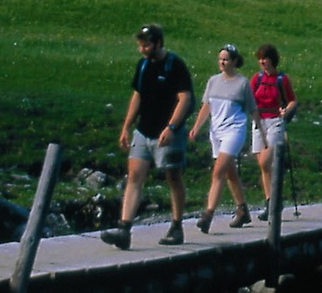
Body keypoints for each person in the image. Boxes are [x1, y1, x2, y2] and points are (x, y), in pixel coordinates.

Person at [100, 24, 194, 249]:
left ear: (158, 43)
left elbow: (186, 99)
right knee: (134, 176)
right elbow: (138, 96)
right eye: (140, 45)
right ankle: (124, 229)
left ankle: (176, 224)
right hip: (144, 131)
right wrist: (126, 126)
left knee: (173, 177)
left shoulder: (174, 65)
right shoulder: (143, 66)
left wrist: (171, 127)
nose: (142, 49)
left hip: (168, 133)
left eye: (146, 45)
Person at [187, 43, 262, 232]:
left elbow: (253, 109)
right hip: (216, 132)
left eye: (226, 59)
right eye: (221, 59)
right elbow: (207, 106)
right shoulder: (213, 81)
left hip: (234, 131)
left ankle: (208, 215)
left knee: (218, 172)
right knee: (230, 173)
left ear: (235, 61)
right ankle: (243, 210)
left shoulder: (242, 83)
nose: (222, 62)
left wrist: (262, 132)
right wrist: (196, 127)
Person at [250, 42, 297, 221]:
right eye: (260, 58)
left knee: (265, 161)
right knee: (264, 166)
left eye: (265, 58)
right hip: (258, 122)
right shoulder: (257, 79)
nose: (262, 62)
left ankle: (273, 200)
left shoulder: (281, 79)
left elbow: (292, 100)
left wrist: (286, 111)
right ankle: (271, 200)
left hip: (275, 121)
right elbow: (250, 97)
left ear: (272, 60)